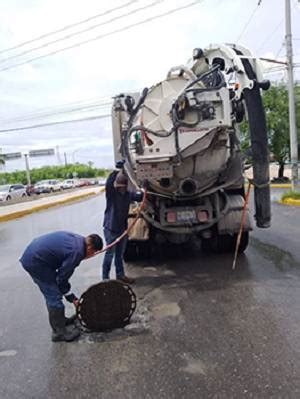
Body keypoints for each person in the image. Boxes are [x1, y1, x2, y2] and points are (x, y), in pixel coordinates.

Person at [20, 231, 103, 342]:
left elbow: (61, 277)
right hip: (36, 261)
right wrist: (72, 298)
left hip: (37, 254)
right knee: (53, 295)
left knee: (55, 289)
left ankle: (61, 321)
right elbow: (62, 278)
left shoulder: (79, 240)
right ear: (90, 248)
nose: (92, 255)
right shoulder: (77, 252)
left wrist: (70, 296)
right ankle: (59, 333)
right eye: (93, 253)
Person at [102, 162, 142, 283]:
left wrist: (144, 189)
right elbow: (108, 184)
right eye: (120, 187)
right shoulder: (112, 195)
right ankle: (105, 279)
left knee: (119, 255)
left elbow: (140, 197)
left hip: (122, 230)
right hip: (111, 229)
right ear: (117, 186)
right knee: (109, 255)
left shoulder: (128, 195)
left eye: (123, 187)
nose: (122, 189)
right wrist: (115, 171)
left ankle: (120, 275)